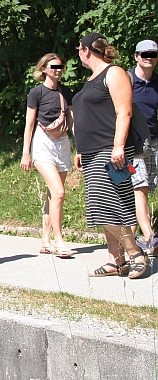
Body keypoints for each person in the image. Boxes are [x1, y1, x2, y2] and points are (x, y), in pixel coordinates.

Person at [70, 33, 147, 278]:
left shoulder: (114, 73)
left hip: (110, 150)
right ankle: (116, 261)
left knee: (106, 204)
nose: (78, 53)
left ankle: (135, 253)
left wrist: (118, 146)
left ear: (86, 50)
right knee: (107, 206)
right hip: (91, 151)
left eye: (78, 49)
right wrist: (80, 150)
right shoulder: (91, 79)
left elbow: (124, 113)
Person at [20, 53, 75, 258]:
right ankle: (59, 240)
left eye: (61, 67)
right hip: (43, 142)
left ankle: (45, 240)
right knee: (59, 192)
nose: (58, 70)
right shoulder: (37, 93)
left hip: (62, 143)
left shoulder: (66, 92)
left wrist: (82, 149)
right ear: (44, 69)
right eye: (53, 67)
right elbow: (29, 124)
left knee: (54, 194)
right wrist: (26, 153)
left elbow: (73, 122)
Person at [129, 39, 158, 253]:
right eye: (144, 54)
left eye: (153, 54)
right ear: (137, 56)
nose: (148, 58)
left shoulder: (157, 83)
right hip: (131, 145)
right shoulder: (127, 81)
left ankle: (128, 240)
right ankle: (150, 237)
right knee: (140, 188)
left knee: (146, 188)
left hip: (154, 143)